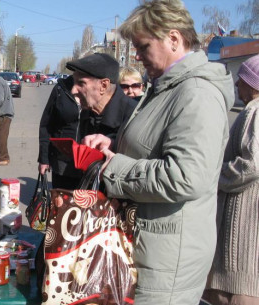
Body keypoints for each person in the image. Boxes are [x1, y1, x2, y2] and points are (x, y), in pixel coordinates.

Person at [83, 0, 234, 303]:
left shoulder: (197, 94)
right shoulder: (168, 86)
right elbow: (155, 148)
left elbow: (185, 176)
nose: (136, 57)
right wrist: (112, 148)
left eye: (142, 47)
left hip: (167, 260)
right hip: (149, 244)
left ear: (174, 39)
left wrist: (115, 167)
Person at [203, 54, 259, 305]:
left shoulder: (255, 110)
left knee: (235, 291)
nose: (237, 84)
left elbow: (252, 164)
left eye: (243, 79)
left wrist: (214, 175)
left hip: (244, 221)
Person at [38, 53, 137, 189]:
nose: (73, 90)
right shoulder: (89, 112)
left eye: (81, 83)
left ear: (104, 85)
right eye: (74, 82)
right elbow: (47, 125)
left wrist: (113, 146)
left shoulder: (134, 116)